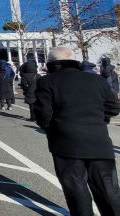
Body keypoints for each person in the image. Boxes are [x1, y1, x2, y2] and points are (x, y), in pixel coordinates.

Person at [34, 47, 120, 216]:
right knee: (109, 189)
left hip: (66, 144)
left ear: (51, 63)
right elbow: (114, 107)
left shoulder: (48, 81)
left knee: (76, 189)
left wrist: (53, 128)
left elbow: (43, 115)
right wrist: (98, 121)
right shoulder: (96, 79)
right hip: (99, 141)